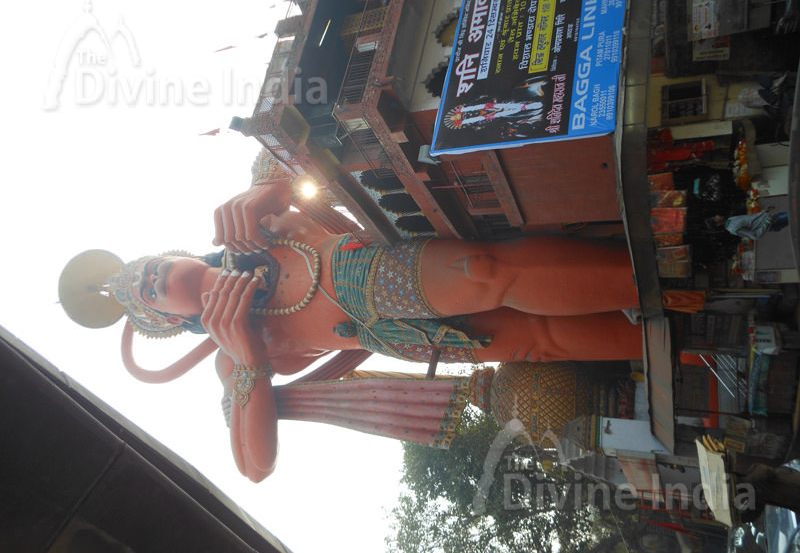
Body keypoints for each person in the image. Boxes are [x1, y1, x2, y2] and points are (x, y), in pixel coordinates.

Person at [60, 161, 643, 482]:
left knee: (485, 271)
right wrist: (249, 360)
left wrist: (269, 186)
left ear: (179, 251)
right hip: (394, 335)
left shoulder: (252, 228)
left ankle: (653, 278)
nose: (148, 281)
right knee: (537, 343)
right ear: (168, 321)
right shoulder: (232, 354)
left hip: (366, 270)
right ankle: (667, 328)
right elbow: (254, 466)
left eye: (150, 268)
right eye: (146, 296)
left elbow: (307, 152)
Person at [707, 209, 789, 241]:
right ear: (717, 224)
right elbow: (755, 235)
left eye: (714, 216)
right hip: (772, 222)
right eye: (715, 218)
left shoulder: (730, 219)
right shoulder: (733, 229)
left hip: (770, 218)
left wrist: (763, 212)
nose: (717, 215)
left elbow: (752, 219)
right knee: (794, 214)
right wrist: (767, 222)